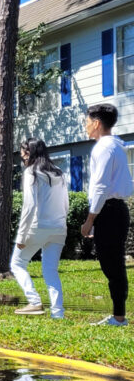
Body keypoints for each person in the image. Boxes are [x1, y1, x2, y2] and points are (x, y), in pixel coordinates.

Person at [80, 103, 132, 327]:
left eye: (87, 121)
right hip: (115, 210)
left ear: (97, 123)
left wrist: (90, 220)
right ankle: (118, 315)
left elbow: (100, 187)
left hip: (109, 212)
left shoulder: (103, 148)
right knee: (113, 265)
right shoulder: (117, 145)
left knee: (113, 266)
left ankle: (119, 318)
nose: (85, 126)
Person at [11, 137, 68, 318]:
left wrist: (21, 236)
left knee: (17, 264)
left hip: (38, 227)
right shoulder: (59, 172)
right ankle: (58, 314)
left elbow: (29, 206)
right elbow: (66, 203)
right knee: (50, 271)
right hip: (59, 228)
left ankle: (34, 302)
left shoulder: (31, 173)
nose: (23, 158)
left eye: (23, 155)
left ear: (29, 153)